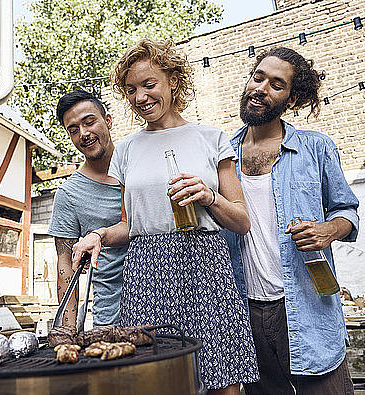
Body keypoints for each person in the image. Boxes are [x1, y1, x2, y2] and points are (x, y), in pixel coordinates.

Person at [72, 38, 259, 394]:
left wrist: (209, 196)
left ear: (172, 80)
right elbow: (130, 225)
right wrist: (99, 235)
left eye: (148, 84)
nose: (140, 97)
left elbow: (242, 221)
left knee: (223, 380)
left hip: (206, 268)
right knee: (153, 380)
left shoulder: (211, 138)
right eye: (130, 90)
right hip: (147, 272)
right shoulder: (126, 150)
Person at [224, 46, 359, 394]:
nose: (261, 88)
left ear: (292, 99)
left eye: (276, 84)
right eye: (258, 77)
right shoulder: (221, 155)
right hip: (245, 309)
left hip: (306, 305)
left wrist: (328, 229)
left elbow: (346, 210)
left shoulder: (316, 147)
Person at [48, 90, 127, 327]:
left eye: (89, 122)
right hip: (111, 315)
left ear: (108, 120)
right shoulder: (69, 194)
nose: (83, 133)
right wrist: (67, 331)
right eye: (73, 130)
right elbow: (65, 265)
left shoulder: (139, 167)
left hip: (161, 300)